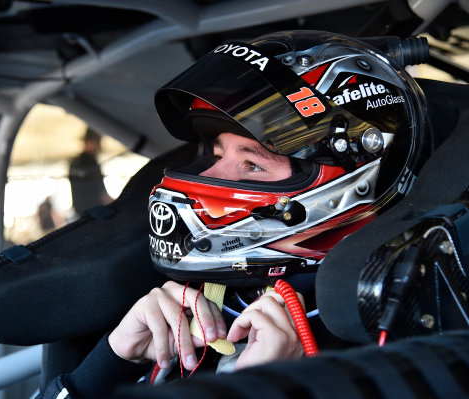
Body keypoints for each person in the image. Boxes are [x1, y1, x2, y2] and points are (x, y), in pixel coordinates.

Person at [39, 30, 431, 398]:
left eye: (253, 165)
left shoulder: (393, 343)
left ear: (350, 185)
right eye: (215, 154)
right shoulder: (175, 314)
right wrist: (109, 363)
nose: (209, 176)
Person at [68, 128, 113, 215]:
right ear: (88, 141)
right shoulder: (90, 163)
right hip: (95, 213)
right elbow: (102, 195)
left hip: (82, 214)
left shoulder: (74, 163)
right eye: (98, 141)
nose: (100, 146)